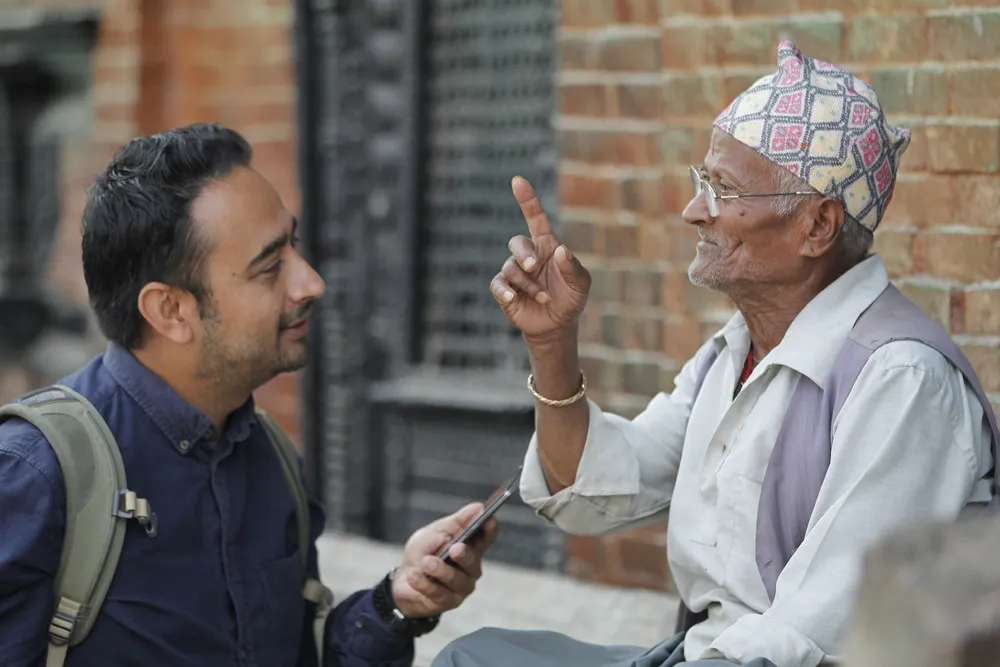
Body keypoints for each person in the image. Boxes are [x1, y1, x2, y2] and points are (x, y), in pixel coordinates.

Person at [432, 41, 997, 667]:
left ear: (819, 226)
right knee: (475, 657)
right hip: (704, 655)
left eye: (722, 189)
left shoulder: (902, 379)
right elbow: (594, 492)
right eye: (703, 181)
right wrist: (551, 343)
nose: (693, 211)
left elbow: (821, 630)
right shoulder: (736, 352)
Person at [0, 123, 498, 667]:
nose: (310, 283)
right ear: (171, 311)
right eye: (269, 268)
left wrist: (396, 603)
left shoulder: (269, 458)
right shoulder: (37, 471)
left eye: (295, 244)